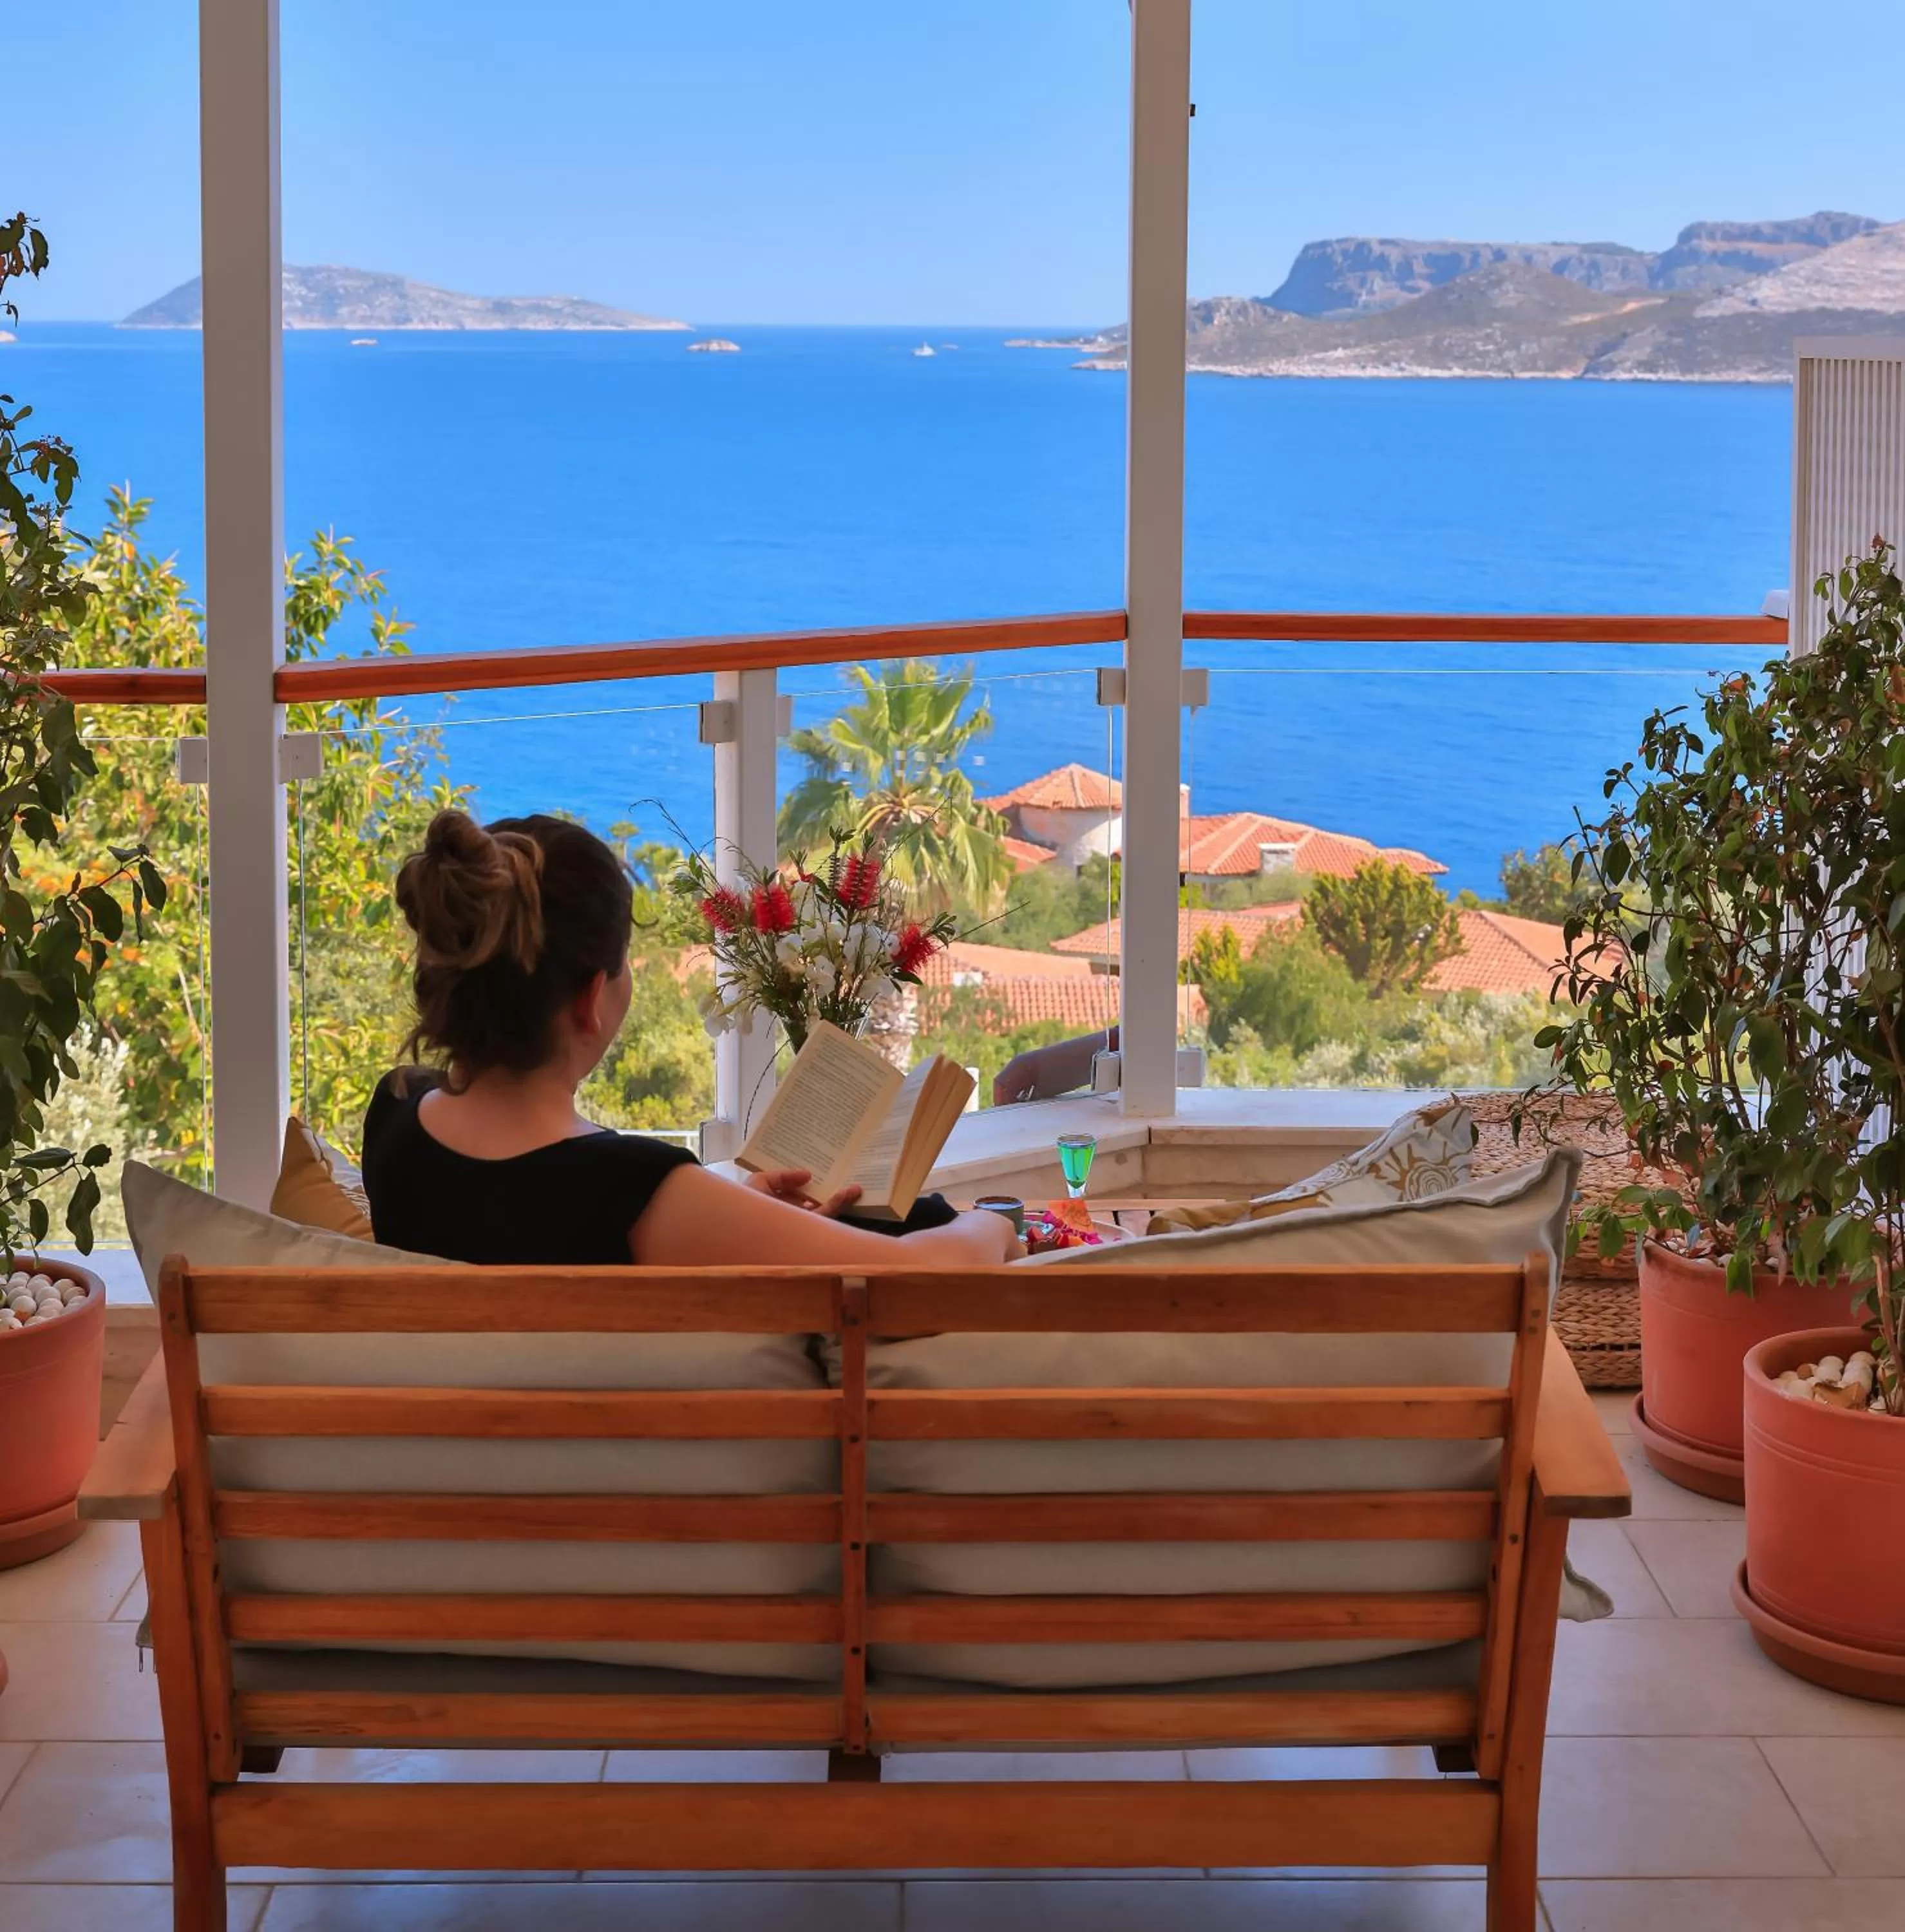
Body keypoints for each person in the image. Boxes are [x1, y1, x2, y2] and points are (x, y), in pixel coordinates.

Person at [361, 809, 1018, 1269]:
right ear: (592, 1001)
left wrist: (734, 1217)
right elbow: (928, 1267)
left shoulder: (394, 1119)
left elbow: (516, 1208)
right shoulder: (637, 1192)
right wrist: (995, 1220)